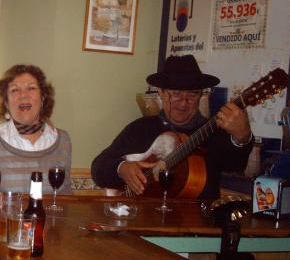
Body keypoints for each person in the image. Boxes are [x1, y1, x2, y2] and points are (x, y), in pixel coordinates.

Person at [91, 54, 253, 199]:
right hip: (146, 218)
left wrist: (243, 137)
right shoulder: (140, 129)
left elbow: (236, 165)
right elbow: (98, 168)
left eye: (192, 94)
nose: (183, 102)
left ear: (201, 95)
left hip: (198, 219)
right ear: (160, 92)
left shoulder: (214, 131)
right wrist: (122, 168)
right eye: (175, 94)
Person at [0, 64, 72, 194]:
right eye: (14, 90)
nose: (23, 95)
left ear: (42, 98)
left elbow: (66, 192)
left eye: (31, 88)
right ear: (6, 102)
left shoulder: (63, 140)